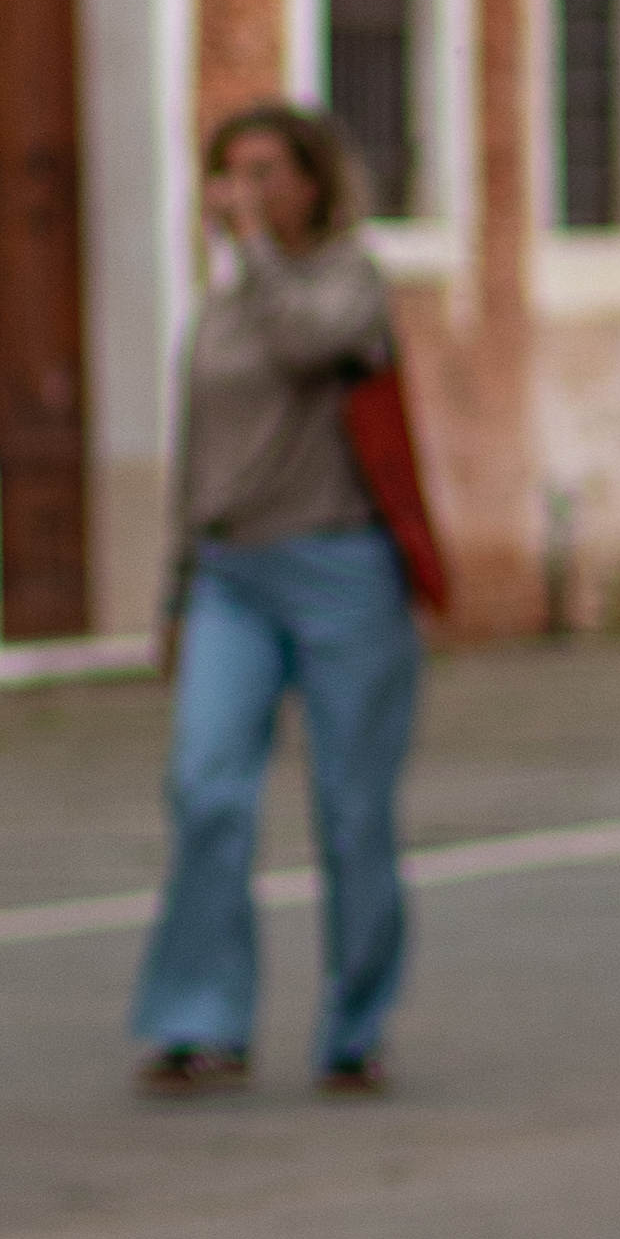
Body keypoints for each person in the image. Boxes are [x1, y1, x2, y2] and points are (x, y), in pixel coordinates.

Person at [131, 101, 419, 1098]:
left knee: (351, 808)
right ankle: (200, 1018)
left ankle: (355, 1026)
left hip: (342, 570)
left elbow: (309, 342)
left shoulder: (349, 281)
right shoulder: (218, 309)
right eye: (228, 173)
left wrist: (255, 252)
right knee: (204, 785)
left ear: (311, 182)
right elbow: (196, 454)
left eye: (264, 173)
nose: (241, 194)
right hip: (232, 575)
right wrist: (175, 588)